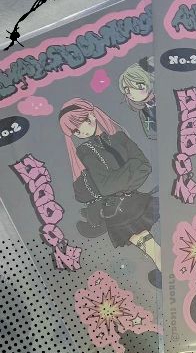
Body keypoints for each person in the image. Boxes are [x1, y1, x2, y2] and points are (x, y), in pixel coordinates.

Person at [59, 98, 161, 287]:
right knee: (147, 242)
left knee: (152, 240)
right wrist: (131, 169)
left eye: (80, 123)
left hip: (133, 200)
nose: (80, 132)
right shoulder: (85, 151)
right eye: (75, 131)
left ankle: (165, 270)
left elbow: (145, 166)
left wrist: (121, 180)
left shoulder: (119, 137)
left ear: (91, 115)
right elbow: (106, 186)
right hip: (118, 209)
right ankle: (166, 270)